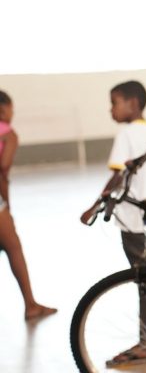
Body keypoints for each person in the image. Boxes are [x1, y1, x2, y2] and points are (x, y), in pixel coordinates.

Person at [80, 80, 146, 367]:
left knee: (144, 280)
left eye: (114, 103)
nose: (110, 109)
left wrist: (94, 206)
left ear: (132, 104)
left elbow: (118, 176)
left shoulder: (126, 133)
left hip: (136, 220)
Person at [0, 90, 57, 321]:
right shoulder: (8, 134)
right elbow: (3, 169)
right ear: (4, 109)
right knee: (13, 247)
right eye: (11, 109)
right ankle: (31, 305)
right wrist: (7, 206)